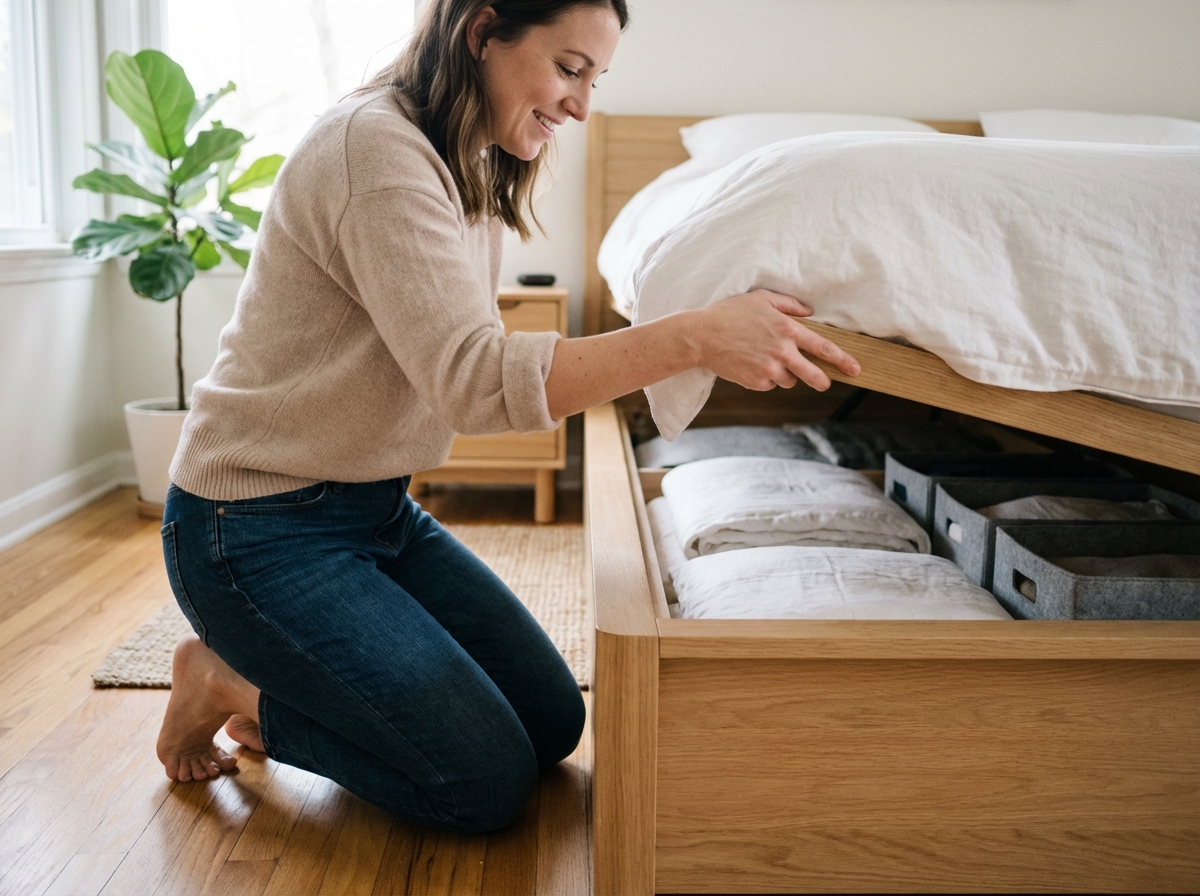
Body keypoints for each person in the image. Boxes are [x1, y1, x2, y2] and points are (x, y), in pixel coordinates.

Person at [157, 0, 860, 833]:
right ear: (482, 32)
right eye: (568, 69)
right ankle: (230, 684)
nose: (581, 105)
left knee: (552, 724)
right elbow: (476, 382)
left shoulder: (467, 159)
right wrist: (696, 336)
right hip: (250, 529)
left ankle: (268, 680)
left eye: (596, 78)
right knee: (480, 783)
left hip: (372, 510)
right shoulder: (375, 150)